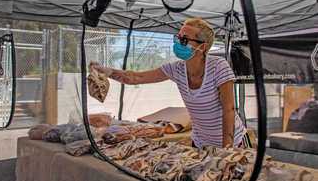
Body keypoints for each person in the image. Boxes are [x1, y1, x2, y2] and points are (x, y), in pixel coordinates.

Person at [91, 18, 246, 148]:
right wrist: (107, 71)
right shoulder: (176, 69)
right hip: (201, 143)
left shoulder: (218, 67)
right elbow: (136, 78)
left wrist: (228, 149)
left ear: (202, 46)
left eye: (184, 40)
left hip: (232, 142)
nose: (178, 43)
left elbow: (229, 110)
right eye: (178, 38)